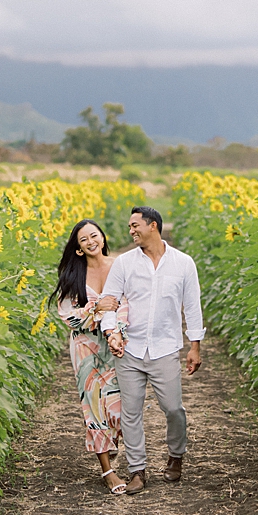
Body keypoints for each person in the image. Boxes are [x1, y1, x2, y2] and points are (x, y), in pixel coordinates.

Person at [96, 205, 203, 495]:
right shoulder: (124, 263)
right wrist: (112, 332)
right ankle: (138, 471)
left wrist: (195, 346)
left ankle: (175, 456)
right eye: (129, 226)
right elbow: (109, 301)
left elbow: (192, 306)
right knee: (131, 413)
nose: (130, 231)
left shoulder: (183, 263)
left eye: (135, 225)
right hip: (129, 349)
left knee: (173, 409)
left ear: (152, 225)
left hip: (165, 347)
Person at [50, 218, 130, 495]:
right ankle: (108, 471)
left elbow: (129, 303)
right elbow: (68, 317)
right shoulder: (74, 276)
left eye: (94, 235)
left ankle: (113, 444)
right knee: (94, 408)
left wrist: (117, 331)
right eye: (83, 240)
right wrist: (95, 309)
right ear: (79, 249)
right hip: (86, 349)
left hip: (117, 344)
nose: (90, 241)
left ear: (103, 238)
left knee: (121, 407)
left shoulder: (120, 266)